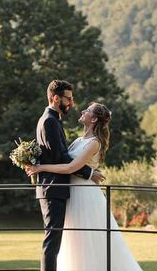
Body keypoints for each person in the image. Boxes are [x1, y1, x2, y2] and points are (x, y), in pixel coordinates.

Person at [28, 101, 142, 271]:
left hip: (85, 195)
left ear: (94, 119)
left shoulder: (94, 143)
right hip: (72, 194)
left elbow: (70, 168)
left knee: (88, 239)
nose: (82, 111)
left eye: (87, 110)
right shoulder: (79, 140)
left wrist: (40, 168)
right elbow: (64, 160)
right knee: (73, 240)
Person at [35, 80, 106, 271]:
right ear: (56, 98)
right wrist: (89, 173)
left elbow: (62, 157)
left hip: (62, 189)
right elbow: (63, 158)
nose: (72, 103)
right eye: (69, 98)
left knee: (60, 241)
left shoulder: (53, 119)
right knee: (53, 241)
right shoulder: (50, 121)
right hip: (54, 188)